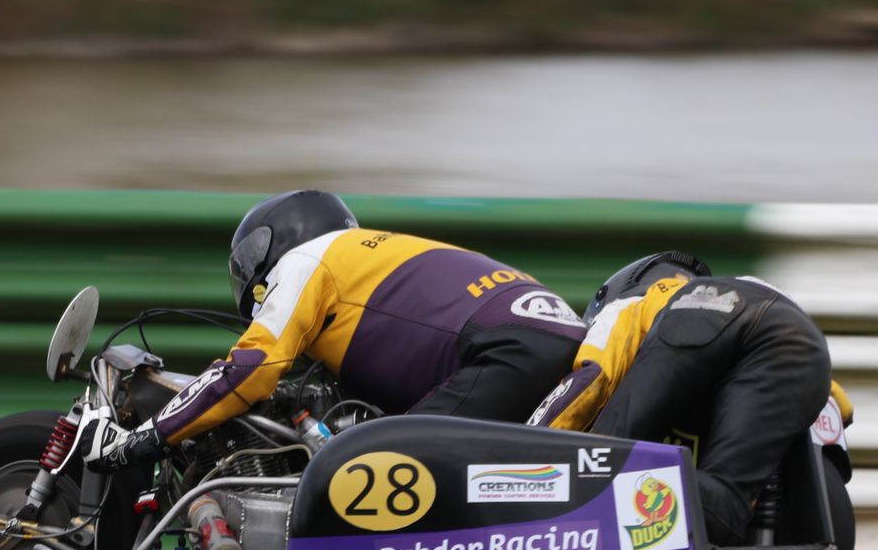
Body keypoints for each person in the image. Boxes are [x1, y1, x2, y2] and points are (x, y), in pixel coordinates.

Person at [87, 190, 585, 469]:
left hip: (504, 348)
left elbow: (251, 368)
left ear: (274, 243)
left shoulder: (308, 261)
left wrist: (155, 433)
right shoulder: (373, 257)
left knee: (381, 465)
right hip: (554, 341)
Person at [529, 251, 851, 545]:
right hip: (804, 340)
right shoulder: (742, 296)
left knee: (607, 459)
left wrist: (532, 453)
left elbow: (593, 378)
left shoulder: (636, 300)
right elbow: (837, 404)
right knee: (724, 501)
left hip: (698, 315)